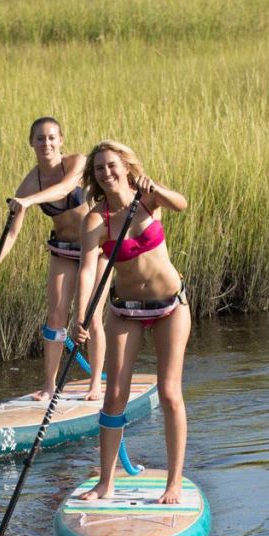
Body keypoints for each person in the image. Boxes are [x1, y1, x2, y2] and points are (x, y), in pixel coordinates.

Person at [73, 141, 190, 504]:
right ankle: (105, 482)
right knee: (115, 396)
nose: (106, 174)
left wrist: (156, 189)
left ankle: (173, 482)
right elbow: (87, 269)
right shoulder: (96, 218)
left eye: (111, 166)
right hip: (126, 310)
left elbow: (181, 204)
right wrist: (81, 315)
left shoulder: (148, 200)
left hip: (171, 305)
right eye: (99, 169)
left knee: (169, 393)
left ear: (125, 167)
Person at [0, 116, 101, 402]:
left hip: (94, 247)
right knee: (55, 317)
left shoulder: (77, 163)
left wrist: (30, 201)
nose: (46, 143)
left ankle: (96, 382)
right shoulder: (29, 183)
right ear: (31, 143)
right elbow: (11, 233)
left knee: (90, 317)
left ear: (61, 140)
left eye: (51, 137)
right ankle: (50, 385)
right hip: (62, 248)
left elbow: (64, 188)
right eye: (40, 138)